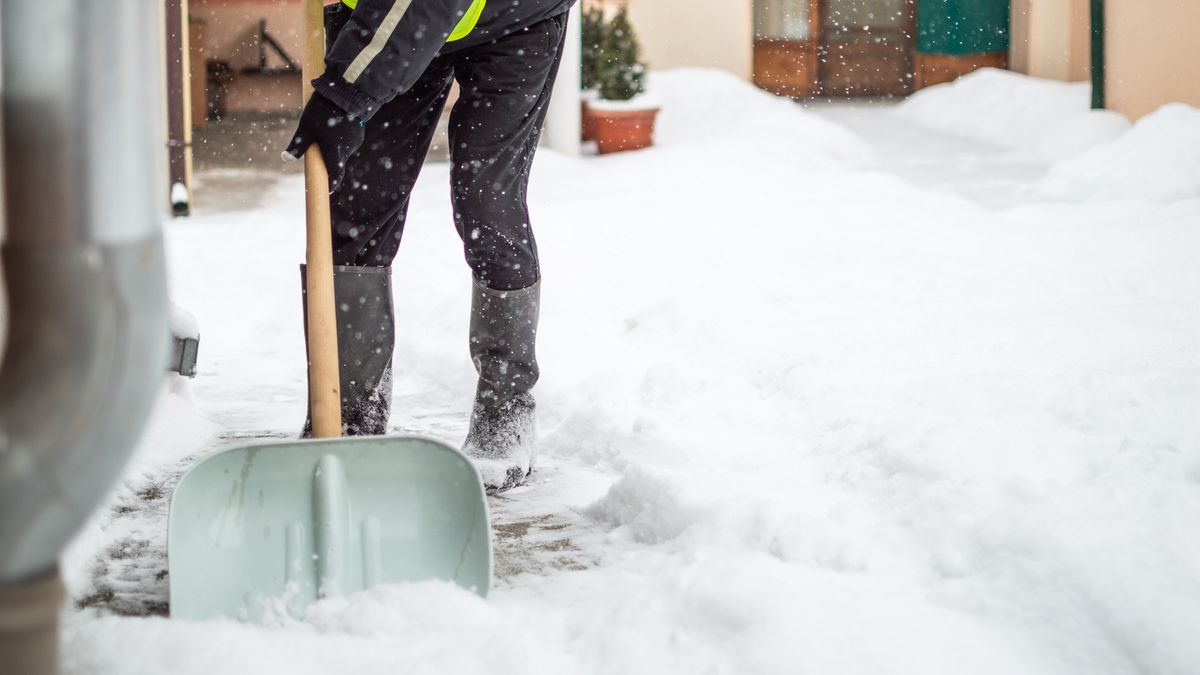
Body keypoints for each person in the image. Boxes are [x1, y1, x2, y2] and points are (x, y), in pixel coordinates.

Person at [284, 0, 576, 491]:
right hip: (382, 14)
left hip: (516, 17)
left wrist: (343, 95)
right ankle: (349, 408)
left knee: (487, 200)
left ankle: (506, 408)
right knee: (359, 204)